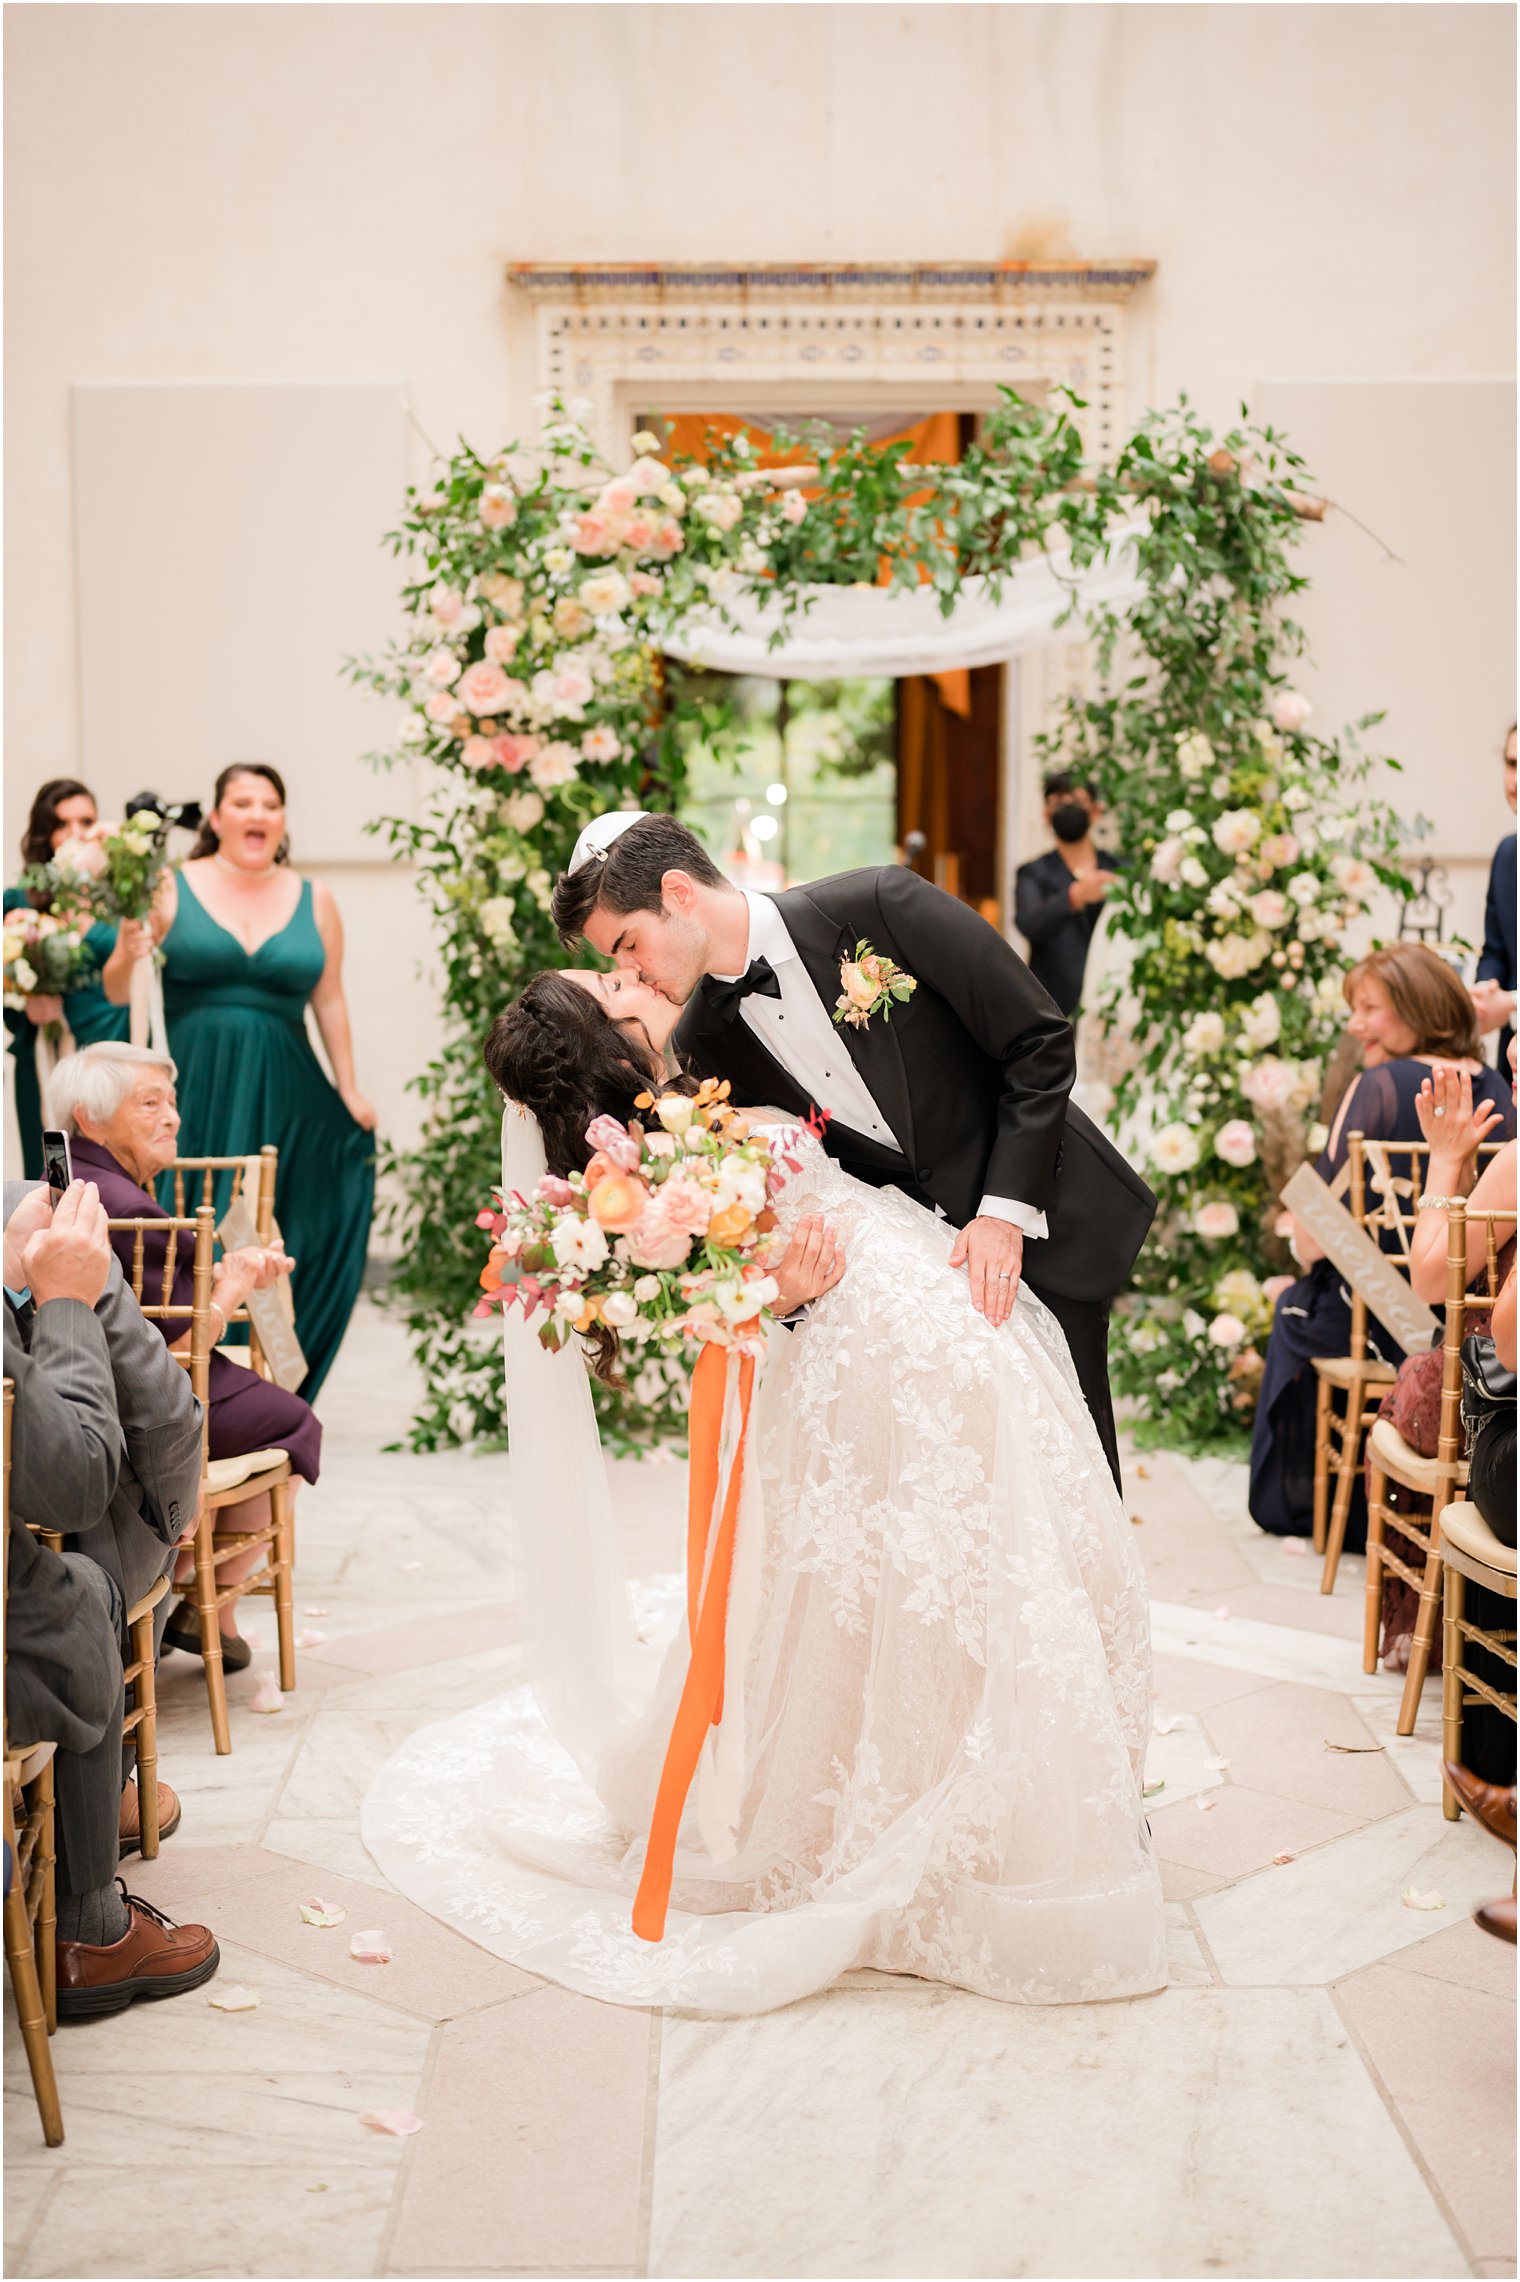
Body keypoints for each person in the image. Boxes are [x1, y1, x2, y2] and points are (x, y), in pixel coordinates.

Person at [362, 960, 1165, 2015]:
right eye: (608, 982)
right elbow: (715, 1290)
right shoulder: (651, 1167)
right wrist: (776, 1295)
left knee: (955, 1564)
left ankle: (976, 1761)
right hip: (871, 1353)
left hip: (915, 1318)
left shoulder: (684, 1085)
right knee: (910, 1577)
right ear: (605, 1043)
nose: (630, 976)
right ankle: (908, 1797)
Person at [550, 811, 1156, 1488]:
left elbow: (1036, 1041)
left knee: (1080, 1478)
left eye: (628, 944)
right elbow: (792, 1191)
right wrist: (792, 1298)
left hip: (1042, 1217)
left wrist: (1002, 1214)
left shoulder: (878, 904)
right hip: (921, 1299)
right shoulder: (702, 1043)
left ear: (679, 893)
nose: (633, 970)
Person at [4, 1179, 220, 2015]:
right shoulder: (76, 1236)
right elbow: (76, 1481)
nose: (168, 1118)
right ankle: (89, 1929)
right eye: (150, 1103)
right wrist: (61, 1302)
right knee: (89, 1582)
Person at [44, 1040, 321, 1672]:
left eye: (171, 1102)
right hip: (147, 1403)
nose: (172, 1117)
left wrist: (224, 1273)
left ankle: (186, 1590)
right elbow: (174, 1350)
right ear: (89, 1118)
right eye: (149, 1104)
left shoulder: (61, 1186)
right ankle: (203, 1603)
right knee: (297, 1423)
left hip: (74, 1387)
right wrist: (232, 1286)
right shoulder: (133, 1207)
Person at [102, 763, 376, 1399]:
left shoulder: (317, 898)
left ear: (282, 820)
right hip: (194, 1083)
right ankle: (169, 1379)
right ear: (217, 817)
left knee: (286, 1223)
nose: (257, 814)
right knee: (186, 1217)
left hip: (289, 1085)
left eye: (270, 804)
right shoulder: (167, 886)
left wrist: (350, 1089)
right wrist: (126, 945)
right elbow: (121, 988)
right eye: (242, 802)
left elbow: (329, 1001)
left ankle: (268, 1380)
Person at [1249, 943, 1515, 1545]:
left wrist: (1298, 1251)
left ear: (1418, 1005)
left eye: (1370, 1008)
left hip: (1382, 1311)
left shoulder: (1379, 1083)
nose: (1355, 1024)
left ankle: (1311, 1510)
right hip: (1473, 1318)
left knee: (1296, 1304)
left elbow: (1317, 1233)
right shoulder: (1498, 1085)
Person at [5, 778, 129, 1179]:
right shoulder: (20, 902)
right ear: (46, 834)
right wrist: (24, 1006)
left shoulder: (119, 901)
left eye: (87, 821)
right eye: (63, 823)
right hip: (45, 1053)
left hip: (111, 1047)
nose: (77, 834)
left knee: (114, 1165)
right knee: (49, 1169)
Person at [1014, 771, 1120, 1018]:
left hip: (1110, 1005)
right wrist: (1074, 897)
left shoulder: (1118, 869)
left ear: (1095, 811)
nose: (1068, 808)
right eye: (1060, 803)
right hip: (1052, 1008)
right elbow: (1029, 922)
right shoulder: (1033, 873)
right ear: (1047, 815)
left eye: (1077, 801)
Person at [1471, 723, 1517, 1064]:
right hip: (1510, 1062)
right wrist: (1485, 989)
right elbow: (1496, 951)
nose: (1516, 782)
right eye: (1512, 764)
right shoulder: (1507, 855)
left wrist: (1514, 1003)